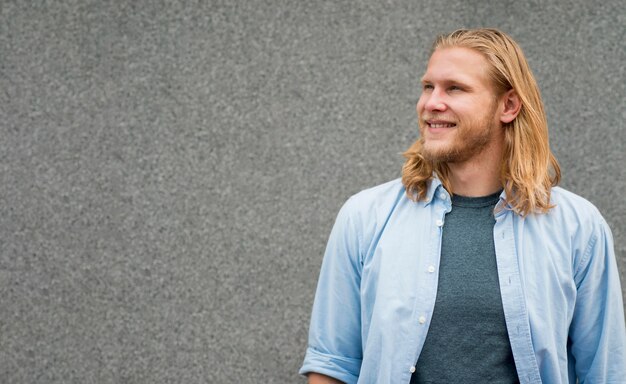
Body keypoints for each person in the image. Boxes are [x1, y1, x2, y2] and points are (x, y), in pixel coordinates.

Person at [299, 28, 626, 384]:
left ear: (508, 105)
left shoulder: (578, 228)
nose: (431, 103)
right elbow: (331, 366)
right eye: (428, 87)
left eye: (454, 88)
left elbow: (605, 372)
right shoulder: (364, 217)